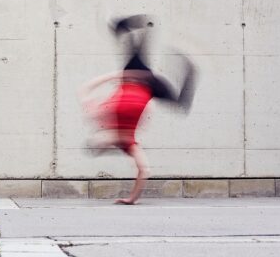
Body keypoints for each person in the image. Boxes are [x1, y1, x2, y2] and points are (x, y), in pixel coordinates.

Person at [78, 15, 196, 204]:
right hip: (149, 86)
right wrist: (131, 199)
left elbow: (85, 89)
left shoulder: (100, 118)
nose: (102, 142)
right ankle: (190, 71)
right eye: (101, 147)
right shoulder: (129, 145)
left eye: (98, 143)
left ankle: (122, 27)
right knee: (181, 104)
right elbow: (145, 170)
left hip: (131, 78)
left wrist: (115, 76)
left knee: (138, 47)